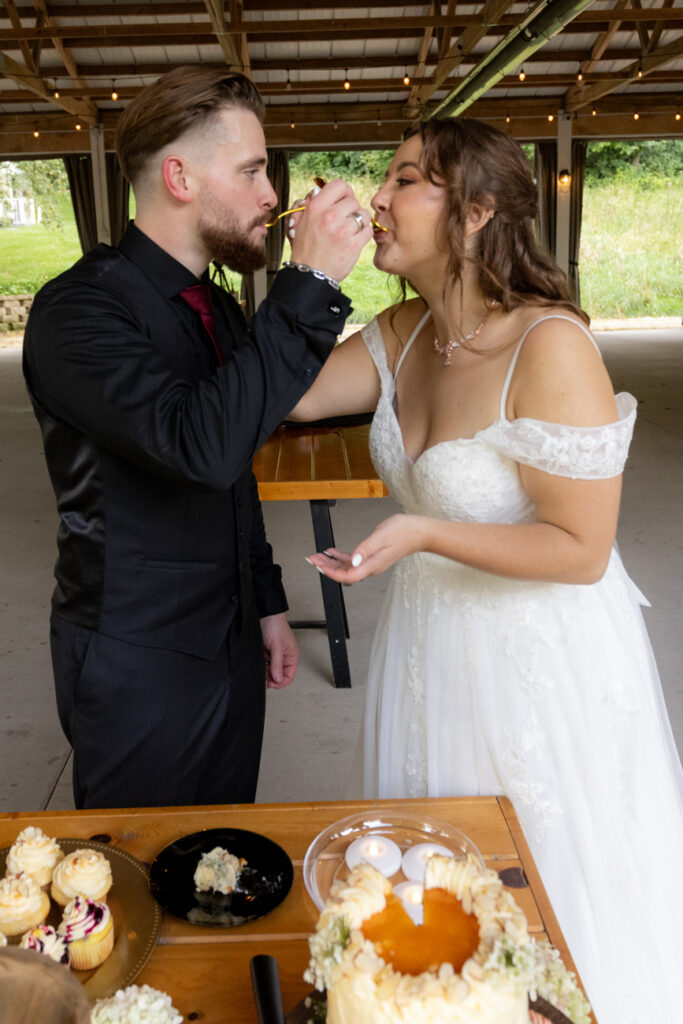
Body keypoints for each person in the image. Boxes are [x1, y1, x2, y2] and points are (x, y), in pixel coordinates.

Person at [288, 118, 683, 1023]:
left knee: (543, 889)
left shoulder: (549, 344)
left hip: (539, 656)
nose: (376, 197)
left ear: (473, 212)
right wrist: (309, 276)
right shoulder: (400, 332)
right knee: (426, 901)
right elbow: (290, 396)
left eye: (405, 180)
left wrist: (422, 532)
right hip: (428, 644)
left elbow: (580, 548)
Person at [22, 66, 372, 810]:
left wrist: (267, 604)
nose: (271, 195)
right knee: (138, 862)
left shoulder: (219, 307)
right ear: (179, 177)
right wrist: (309, 280)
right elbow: (199, 447)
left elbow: (237, 472)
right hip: (135, 656)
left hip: (231, 636)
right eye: (251, 171)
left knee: (220, 852)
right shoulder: (77, 313)